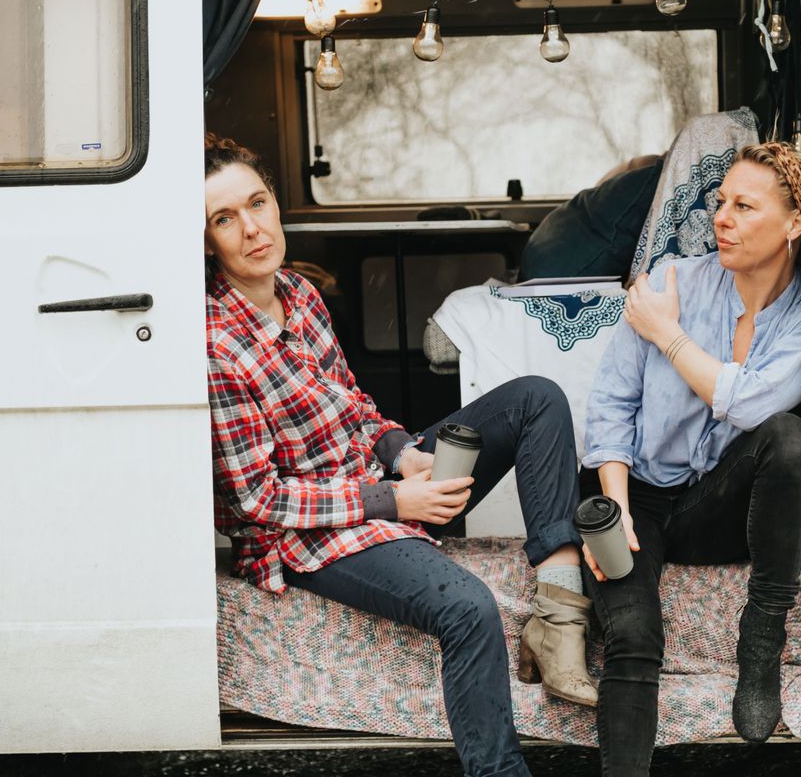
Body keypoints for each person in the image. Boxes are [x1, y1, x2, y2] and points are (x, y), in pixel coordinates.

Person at [202, 134, 595, 777]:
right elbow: (257, 501)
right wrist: (394, 500)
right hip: (309, 535)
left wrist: (403, 452)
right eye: (224, 219)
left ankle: (557, 614)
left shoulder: (299, 293)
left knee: (536, 399)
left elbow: (351, 404)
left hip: (373, 478)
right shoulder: (216, 346)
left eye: (257, 203)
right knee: (468, 608)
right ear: (207, 241)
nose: (251, 228)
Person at [581, 141, 801, 775]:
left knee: (790, 440)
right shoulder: (672, 282)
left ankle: (763, 632)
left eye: (745, 206)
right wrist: (616, 509)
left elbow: (750, 405)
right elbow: (610, 406)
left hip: (715, 502)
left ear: (793, 223)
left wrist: (668, 333)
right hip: (639, 492)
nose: (722, 218)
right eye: (721, 202)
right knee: (633, 638)